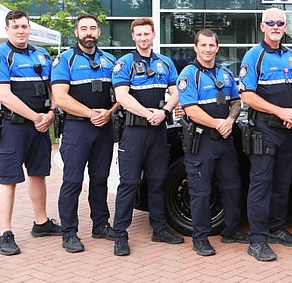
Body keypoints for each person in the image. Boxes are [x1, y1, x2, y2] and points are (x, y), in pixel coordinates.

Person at [0, 10, 61, 256]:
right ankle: (5, 232)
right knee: (8, 179)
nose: (21, 30)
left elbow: (54, 90)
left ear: (30, 29)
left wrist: (50, 114)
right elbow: (5, 96)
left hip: (39, 127)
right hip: (12, 127)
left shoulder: (42, 54)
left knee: (39, 174)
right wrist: (37, 117)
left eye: (24, 26)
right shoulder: (0, 56)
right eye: (15, 26)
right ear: (7, 29)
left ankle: (41, 223)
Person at [111, 17, 184, 256]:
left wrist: (164, 112)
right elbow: (121, 96)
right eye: (139, 34)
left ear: (153, 36)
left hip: (158, 130)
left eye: (147, 34)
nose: (143, 38)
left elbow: (176, 92)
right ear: (133, 37)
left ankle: (159, 228)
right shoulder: (125, 63)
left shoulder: (165, 63)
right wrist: (147, 114)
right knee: (129, 183)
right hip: (133, 132)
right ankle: (120, 233)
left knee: (158, 181)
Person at [239, 7, 292, 262]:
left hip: (289, 130)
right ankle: (257, 240)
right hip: (265, 130)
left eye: (280, 23)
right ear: (262, 26)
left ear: (285, 26)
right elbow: (247, 95)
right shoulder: (254, 56)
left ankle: (276, 229)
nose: (276, 26)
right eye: (271, 23)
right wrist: (281, 112)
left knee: (282, 184)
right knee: (261, 185)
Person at [51, 14, 118, 253]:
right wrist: (91, 113)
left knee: (100, 180)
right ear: (77, 33)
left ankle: (100, 225)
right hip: (77, 128)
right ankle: (69, 232)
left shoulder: (110, 60)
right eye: (83, 29)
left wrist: (109, 112)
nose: (88, 32)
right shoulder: (65, 61)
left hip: (104, 128)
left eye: (92, 28)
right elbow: (60, 97)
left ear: (98, 32)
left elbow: (121, 95)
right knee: (73, 181)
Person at [177, 29, 246, 256]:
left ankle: (231, 231)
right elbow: (191, 109)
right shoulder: (189, 74)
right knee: (200, 191)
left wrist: (229, 120)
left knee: (232, 186)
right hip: (201, 140)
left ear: (217, 48)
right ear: (195, 48)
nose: (208, 49)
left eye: (211, 45)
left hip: (225, 140)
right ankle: (200, 238)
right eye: (203, 45)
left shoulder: (225, 73)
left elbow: (236, 101)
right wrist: (217, 124)